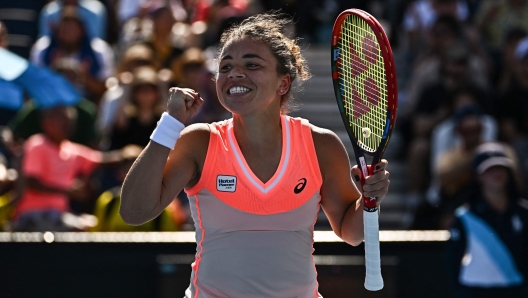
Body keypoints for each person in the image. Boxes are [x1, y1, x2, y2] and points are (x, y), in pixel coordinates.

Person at [120, 12, 391, 297]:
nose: (235, 73)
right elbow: (134, 212)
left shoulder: (320, 145)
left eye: (252, 64)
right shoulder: (199, 142)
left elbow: (351, 232)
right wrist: (170, 124)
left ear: (283, 83)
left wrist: (369, 200)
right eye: (225, 67)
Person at [12, 105, 123, 231]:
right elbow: (32, 182)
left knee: (93, 225)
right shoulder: (37, 145)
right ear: (47, 123)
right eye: (62, 121)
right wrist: (67, 191)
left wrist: (134, 155)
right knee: (78, 230)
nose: (67, 126)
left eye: (70, 122)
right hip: (33, 214)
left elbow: (102, 160)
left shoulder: (71, 150)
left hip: (60, 214)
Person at [446, 142, 528, 298]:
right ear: (478, 175)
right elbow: (453, 261)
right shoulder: (464, 216)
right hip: (474, 292)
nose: (497, 174)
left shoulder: (523, 213)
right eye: (490, 169)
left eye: (501, 168)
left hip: (514, 291)